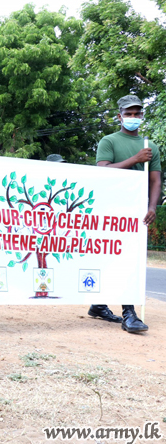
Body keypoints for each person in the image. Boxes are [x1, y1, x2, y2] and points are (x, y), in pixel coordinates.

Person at [95, 94, 161, 333]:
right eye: (128, 113)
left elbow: (155, 180)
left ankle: (106, 306)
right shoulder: (109, 141)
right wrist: (134, 159)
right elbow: (102, 171)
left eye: (137, 113)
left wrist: (152, 206)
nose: (133, 117)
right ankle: (127, 313)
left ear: (142, 115)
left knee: (130, 258)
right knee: (110, 256)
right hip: (110, 209)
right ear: (119, 115)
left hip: (136, 212)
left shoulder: (150, 146)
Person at [46, 154, 123, 322]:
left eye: (64, 164)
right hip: (51, 240)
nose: (62, 168)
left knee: (99, 265)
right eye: (58, 165)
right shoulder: (45, 187)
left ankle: (99, 305)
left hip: (76, 238)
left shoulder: (74, 185)